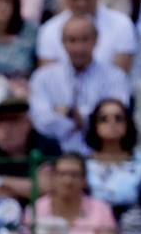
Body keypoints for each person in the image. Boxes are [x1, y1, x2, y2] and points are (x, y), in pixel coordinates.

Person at [27, 16, 130, 155]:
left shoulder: (115, 77)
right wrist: (86, 118)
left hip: (100, 154)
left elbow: (114, 119)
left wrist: (68, 113)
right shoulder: (43, 77)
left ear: (96, 40)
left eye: (85, 39)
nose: (79, 47)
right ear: (62, 42)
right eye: (72, 40)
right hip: (54, 155)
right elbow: (42, 121)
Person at [27, 153, 117, 234]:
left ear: (84, 180)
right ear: (53, 178)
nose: (68, 181)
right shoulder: (36, 209)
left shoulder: (101, 209)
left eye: (74, 175)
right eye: (62, 174)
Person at [35, 0, 133, 73]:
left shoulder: (122, 25)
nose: (81, 3)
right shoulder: (49, 30)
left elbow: (119, 77)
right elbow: (46, 78)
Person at [0, 97, 60, 203]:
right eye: (0, 122)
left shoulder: (46, 146)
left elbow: (45, 187)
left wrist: (0, 181)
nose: (5, 129)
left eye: (13, 121)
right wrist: (25, 186)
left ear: (28, 123)